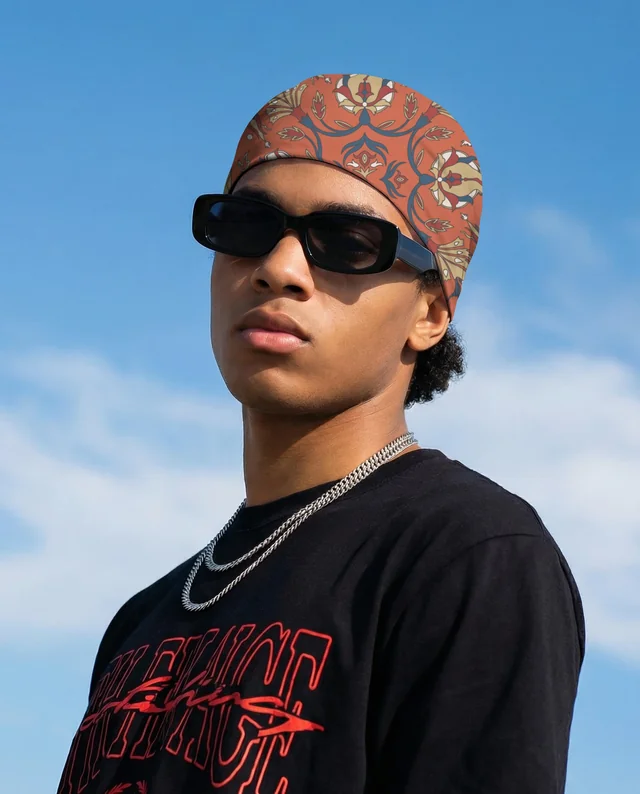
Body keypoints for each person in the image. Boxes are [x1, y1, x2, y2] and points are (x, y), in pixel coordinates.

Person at [57, 73, 585, 794]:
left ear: (430, 313)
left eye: (347, 242)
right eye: (246, 226)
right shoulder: (142, 621)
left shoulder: (469, 554)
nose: (279, 269)